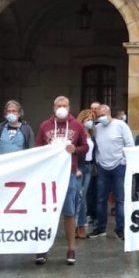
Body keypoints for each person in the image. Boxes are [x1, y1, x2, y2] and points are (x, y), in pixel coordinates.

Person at [34, 95, 88, 265]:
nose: (62, 108)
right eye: (59, 105)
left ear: (69, 107)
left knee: (69, 212)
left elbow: (85, 147)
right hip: (49, 176)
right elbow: (37, 148)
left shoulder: (77, 125)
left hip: (69, 174)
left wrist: (75, 149)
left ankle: (71, 248)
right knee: (46, 211)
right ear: (54, 107)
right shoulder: (45, 126)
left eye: (65, 105)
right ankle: (42, 249)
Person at [88, 104, 134, 240]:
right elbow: (95, 145)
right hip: (103, 167)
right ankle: (100, 228)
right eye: (99, 116)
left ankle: (120, 229)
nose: (101, 118)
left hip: (119, 166)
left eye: (103, 115)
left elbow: (130, 144)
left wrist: (125, 160)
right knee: (101, 199)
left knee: (120, 199)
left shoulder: (121, 125)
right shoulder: (97, 128)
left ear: (109, 113)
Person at [77, 109, 97, 238]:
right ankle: (78, 225)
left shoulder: (92, 134)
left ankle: (80, 225)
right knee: (78, 196)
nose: (90, 121)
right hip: (79, 166)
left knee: (83, 196)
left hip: (89, 166)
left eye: (91, 119)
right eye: (87, 119)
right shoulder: (78, 134)